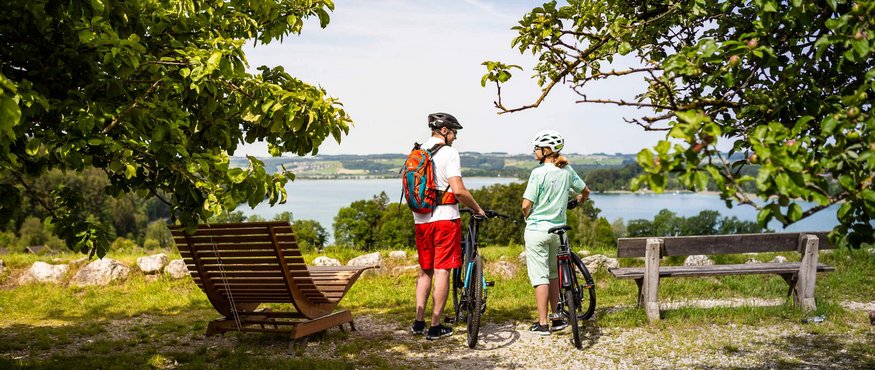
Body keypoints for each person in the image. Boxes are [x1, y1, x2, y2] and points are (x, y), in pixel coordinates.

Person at [410, 112, 486, 340]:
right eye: (454, 132)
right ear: (444, 130)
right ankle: (435, 326)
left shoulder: (418, 152)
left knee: (425, 271)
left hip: (421, 220)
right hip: (444, 220)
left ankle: (418, 323)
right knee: (443, 270)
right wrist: (477, 208)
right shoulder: (449, 153)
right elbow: (459, 190)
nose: (455, 137)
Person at [521, 130, 590, 336]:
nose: (534, 151)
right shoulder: (567, 170)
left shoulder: (538, 173)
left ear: (547, 150)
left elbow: (526, 204)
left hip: (537, 230)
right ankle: (557, 318)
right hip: (559, 231)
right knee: (553, 274)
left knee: (540, 276)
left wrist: (527, 215)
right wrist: (574, 203)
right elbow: (585, 192)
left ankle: (542, 324)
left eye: (536, 147)